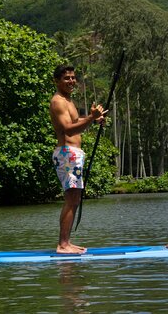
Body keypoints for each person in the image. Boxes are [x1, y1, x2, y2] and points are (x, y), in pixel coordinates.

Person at [49, 64, 106, 254]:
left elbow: (76, 123)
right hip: (66, 153)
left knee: (74, 199)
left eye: (73, 77)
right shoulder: (58, 101)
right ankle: (62, 245)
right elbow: (68, 129)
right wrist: (90, 118)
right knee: (71, 199)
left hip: (73, 154)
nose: (71, 81)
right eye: (66, 78)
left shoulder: (69, 101)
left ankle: (66, 242)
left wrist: (93, 119)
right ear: (57, 81)